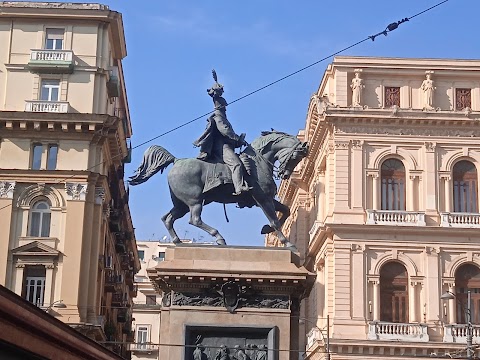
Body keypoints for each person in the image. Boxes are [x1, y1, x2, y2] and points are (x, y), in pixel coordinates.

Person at [193, 70, 252, 195]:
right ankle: (239, 187)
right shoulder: (218, 116)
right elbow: (226, 132)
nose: (225, 107)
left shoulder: (222, 116)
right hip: (222, 147)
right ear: (221, 106)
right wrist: (238, 139)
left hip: (226, 145)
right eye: (224, 105)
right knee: (236, 164)